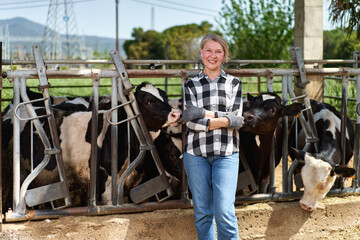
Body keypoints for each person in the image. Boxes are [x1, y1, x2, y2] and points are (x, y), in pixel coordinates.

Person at [179, 33, 243, 240]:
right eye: (209, 50)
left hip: (226, 154)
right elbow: (190, 121)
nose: (212, 55)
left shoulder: (234, 83)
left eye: (218, 51)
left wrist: (204, 114)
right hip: (195, 155)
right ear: (201, 53)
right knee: (203, 212)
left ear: (224, 56)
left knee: (224, 211)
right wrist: (224, 120)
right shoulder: (191, 84)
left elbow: (238, 119)